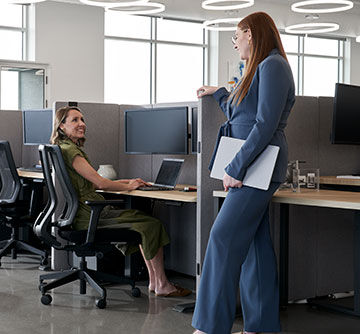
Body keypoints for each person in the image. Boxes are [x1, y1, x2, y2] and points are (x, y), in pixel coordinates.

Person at [192, 12, 295, 334]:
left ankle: (210, 327)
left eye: (237, 36)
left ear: (251, 33)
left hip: (256, 165)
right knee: (255, 244)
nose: (234, 43)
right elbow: (243, 114)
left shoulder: (273, 65)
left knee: (222, 239)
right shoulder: (259, 69)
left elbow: (264, 124)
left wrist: (236, 167)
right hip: (251, 165)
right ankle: (262, 326)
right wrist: (221, 92)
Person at [51, 106, 190, 297]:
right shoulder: (71, 151)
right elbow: (100, 182)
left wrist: (126, 183)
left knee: (143, 222)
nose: (81, 124)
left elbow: (91, 184)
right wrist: (129, 187)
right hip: (89, 215)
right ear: (61, 126)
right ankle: (162, 284)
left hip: (80, 212)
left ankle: (154, 282)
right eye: (74, 120)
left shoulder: (64, 148)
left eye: (82, 119)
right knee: (151, 224)